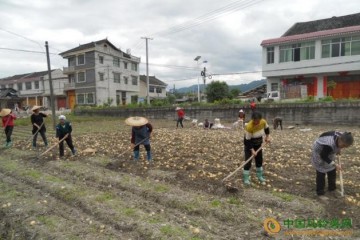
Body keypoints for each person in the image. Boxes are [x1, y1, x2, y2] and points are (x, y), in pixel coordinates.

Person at [311, 131, 354, 200]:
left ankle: (332, 188)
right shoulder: (329, 144)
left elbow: (337, 146)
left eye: (345, 147)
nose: (343, 147)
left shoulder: (343, 136)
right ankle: (320, 193)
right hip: (320, 153)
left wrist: (338, 149)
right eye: (343, 146)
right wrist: (334, 164)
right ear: (340, 140)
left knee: (332, 171)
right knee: (321, 173)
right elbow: (323, 155)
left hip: (328, 151)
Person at [243, 111, 270, 185]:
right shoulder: (249, 126)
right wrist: (252, 150)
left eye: (258, 121)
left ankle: (260, 176)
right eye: (255, 121)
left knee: (259, 160)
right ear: (252, 119)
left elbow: (267, 128)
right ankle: (245, 178)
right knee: (248, 161)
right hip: (249, 144)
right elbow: (247, 141)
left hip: (258, 144)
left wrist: (267, 137)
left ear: (260, 119)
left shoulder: (263, 122)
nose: (257, 122)